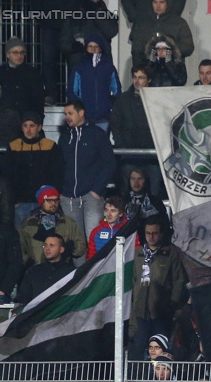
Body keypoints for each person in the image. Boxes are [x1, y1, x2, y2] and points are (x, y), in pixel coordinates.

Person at [130, 218, 188, 360]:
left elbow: (178, 280)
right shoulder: (137, 253)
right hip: (140, 312)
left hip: (161, 312)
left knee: (161, 350)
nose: (151, 236)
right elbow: (132, 280)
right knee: (138, 348)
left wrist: (172, 304)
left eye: (154, 233)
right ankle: (136, 380)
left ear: (161, 234)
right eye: (148, 233)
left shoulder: (170, 253)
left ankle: (161, 379)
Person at [60, 100, 114, 242]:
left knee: (94, 239)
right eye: (65, 114)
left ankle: (96, 266)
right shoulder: (65, 137)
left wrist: (96, 190)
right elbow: (60, 165)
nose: (67, 117)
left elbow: (110, 163)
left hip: (91, 197)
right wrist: (62, 190)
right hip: (68, 198)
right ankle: (80, 266)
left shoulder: (97, 134)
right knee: (75, 241)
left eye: (70, 113)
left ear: (81, 113)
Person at [111, 65, 161, 197]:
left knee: (154, 196)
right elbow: (116, 125)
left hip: (152, 156)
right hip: (129, 155)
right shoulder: (122, 100)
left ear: (149, 80)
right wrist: (122, 147)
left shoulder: (158, 100)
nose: (137, 81)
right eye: (135, 77)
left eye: (141, 78)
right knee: (126, 195)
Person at [66, 35, 121, 130]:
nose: (93, 49)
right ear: (86, 48)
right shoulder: (79, 68)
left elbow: (116, 90)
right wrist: (80, 109)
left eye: (96, 46)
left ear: (101, 49)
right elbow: (72, 91)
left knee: (101, 143)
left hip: (104, 117)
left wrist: (109, 105)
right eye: (90, 46)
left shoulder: (108, 68)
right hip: (84, 118)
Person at [129, 0, 195, 67]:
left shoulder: (179, 23)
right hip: (147, 71)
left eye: (162, 2)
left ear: (168, 3)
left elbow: (188, 47)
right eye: (155, 2)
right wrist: (138, 69)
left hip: (173, 72)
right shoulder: (141, 24)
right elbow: (136, 50)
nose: (158, 6)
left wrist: (169, 50)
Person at [0, 37, 45, 116]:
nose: (19, 56)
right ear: (7, 55)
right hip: (4, 120)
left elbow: (38, 100)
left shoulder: (32, 73)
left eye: (22, 52)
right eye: (15, 52)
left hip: (27, 121)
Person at [17, 233, 75, 303]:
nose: (47, 248)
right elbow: (24, 299)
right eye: (45, 245)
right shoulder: (33, 272)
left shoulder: (71, 272)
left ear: (61, 249)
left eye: (52, 245)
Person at [87, 195, 131, 260]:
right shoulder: (96, 232)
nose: (108, 214)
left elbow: (133, 254)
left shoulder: (128, 230)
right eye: (106, 210)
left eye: (113, 211)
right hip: (102, 269)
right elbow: (90, 258)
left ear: (120, 213)